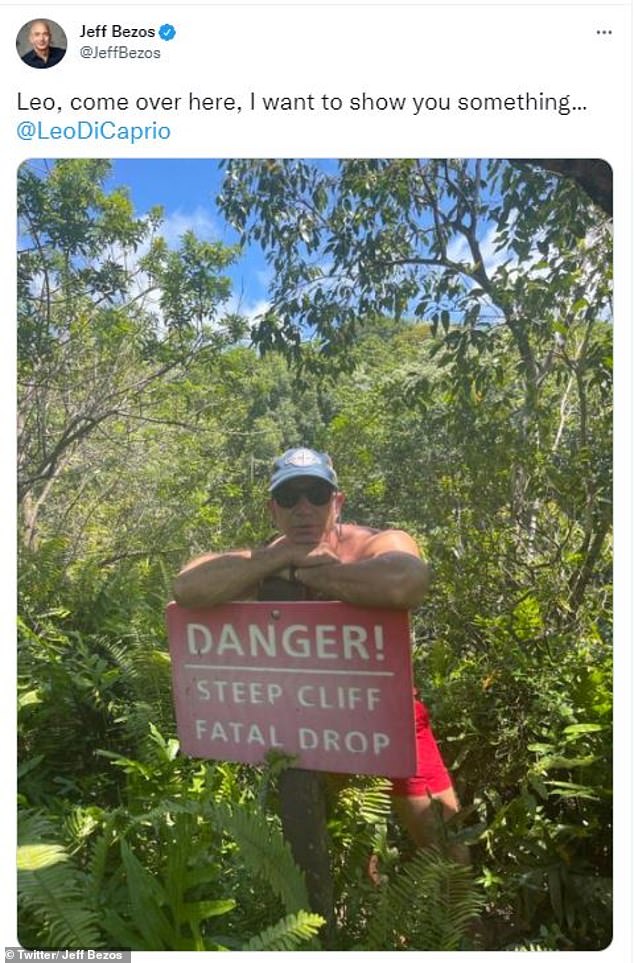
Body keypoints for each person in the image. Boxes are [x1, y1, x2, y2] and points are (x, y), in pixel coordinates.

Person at [173, 446, 462, 855]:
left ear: (337, 502)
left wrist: (313, 572)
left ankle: (459, 920)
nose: (303, 508)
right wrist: (283, 559)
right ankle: (358, 913)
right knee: (345, 841)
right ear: (274, 508)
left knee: (442, 838)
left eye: (317, 495)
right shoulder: (270, 554)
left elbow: (407, 580)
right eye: (290, 498)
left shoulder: (374, 543)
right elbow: (187, 587)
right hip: (310, 718)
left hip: (388, 710)